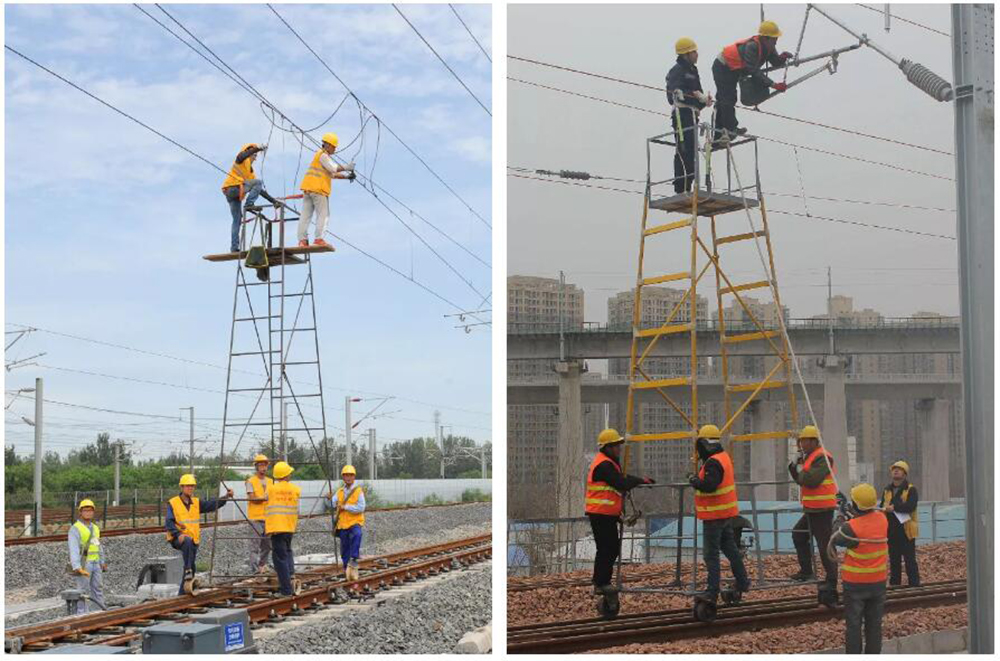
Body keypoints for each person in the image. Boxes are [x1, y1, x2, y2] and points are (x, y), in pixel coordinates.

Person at [586, 429, 653, 598]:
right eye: (616, 445)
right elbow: (620, 482)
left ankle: (602, 582)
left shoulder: (608, 463)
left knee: (609, 548)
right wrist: (639, 481)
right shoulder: (603, 465)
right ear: (607, 447)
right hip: (600, 513)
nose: (619, 448)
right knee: (607, 548)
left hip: (605, 513)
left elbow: (620, 478)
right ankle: (601, 583)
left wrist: (640, 480)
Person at [687, 424, 750, 602]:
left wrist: (694, 481)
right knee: (731, 550)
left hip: (714, 516)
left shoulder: (713, 462)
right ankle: (743, 582)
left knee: (711, 555)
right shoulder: (723, 457)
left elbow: (710, 485)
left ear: (704, 444)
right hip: (724, 514)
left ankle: (712, 591)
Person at [830, 483, 888, 654]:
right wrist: (851, 512)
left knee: (854, 625)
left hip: (855, 584)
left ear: (855, 504)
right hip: (878, 582)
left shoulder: (852, 527)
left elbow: (836, 536)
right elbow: (865, 519)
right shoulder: (882, 519)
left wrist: (841, 515)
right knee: (874, 625)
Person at [712, 20, 793, 142]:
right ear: (765, 38)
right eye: (774, 39)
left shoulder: (768, 47)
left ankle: (721, 133)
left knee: (725, 99)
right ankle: (729, 130)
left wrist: (782, 58)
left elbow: (774, 61)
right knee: (727, 97)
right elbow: (753, 70)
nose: (776, 41)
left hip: (734, 70)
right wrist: (773, 84)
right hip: (723, 67)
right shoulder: (753, 46)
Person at [787, 425, 839, 594]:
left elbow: (810, 480)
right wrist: (793, 467)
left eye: (804, 441)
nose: (801, 444)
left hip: (823, 509)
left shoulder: (823, 457)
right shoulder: (810, 457)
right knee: (798, 535)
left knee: (825, 545)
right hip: (812, 509)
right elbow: (801, 480)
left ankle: (832, 579)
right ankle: (806, 572)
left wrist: (799, 469)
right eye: (800, 441)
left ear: (814, 441)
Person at [165, 474, 234, 595]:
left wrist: (226, 497)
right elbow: (169, 522)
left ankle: (183, 593)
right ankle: (188, 571)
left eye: (192, 486)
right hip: (178, 538)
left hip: (193, 540)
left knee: (192, 566)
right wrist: (177, 534)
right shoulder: (173, 503)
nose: (190, 488)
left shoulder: (196, 503)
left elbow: (211, 504)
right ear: (182, 487)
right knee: (188, 555)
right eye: (187, 486)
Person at [666, 37, 713, 194]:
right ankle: (681, 187)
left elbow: (696, 95)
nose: (697, 54)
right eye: (694, 52)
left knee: (691, 152)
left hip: (692, 115)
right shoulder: (677, 70)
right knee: (683, 149)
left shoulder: (693, 71)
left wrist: (703, 101)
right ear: (686, 54)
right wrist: (685, 95)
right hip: (681, 115)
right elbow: (672, 95)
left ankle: (688, 184)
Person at [297, 133, 355, 248]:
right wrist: (347, 167)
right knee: (323, 215)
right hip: (319, 190)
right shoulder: (323, 156)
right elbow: (333, 168)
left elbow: (332, 174)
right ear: (328, 145)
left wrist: (347, 176)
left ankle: (302, 241)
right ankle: (318, 239)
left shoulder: (319, 157)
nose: (335, 149)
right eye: (334, 147)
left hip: (308, 189)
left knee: (305, 216)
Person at [221, 143, 281, 253]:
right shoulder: (241, 159)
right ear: (249, 152)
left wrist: (273, 201)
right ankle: (249, 204)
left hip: (232, 194)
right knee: (258, 182)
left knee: (237, 220)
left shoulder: (250, 172)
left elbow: (259, 189)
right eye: (254, 155)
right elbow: (242, 156)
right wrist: (257, 148)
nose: (255, 158)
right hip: (233, 189)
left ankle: (234, 248)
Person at [880, 460, 920, 586]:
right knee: (894, 562)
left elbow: (910, 506)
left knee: (910, 561)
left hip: (907, 531)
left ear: (905, 473)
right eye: (894, 469)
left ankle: (914, 586)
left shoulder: (911, 490)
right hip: (892, 531)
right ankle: (895, 587)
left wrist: (894, 507)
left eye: (899, 469)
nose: (896, 471)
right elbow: (882, 506)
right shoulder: (887, 490)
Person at [265, 461, 302, 596]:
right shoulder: (295, 489)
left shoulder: (271, 489)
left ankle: (286, 590)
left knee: (280, 558)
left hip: (277, 528)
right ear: (286, 475)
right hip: (289, 527)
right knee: (288, 551)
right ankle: (291, 576)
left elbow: (264, 498)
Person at [68, 499, 106, 614]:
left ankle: (98, 612)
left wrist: (102, 561)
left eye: (90, 510)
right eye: (85, 510)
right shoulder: (75, 528)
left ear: (93, 512)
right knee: (82, 591)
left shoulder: (95, 528)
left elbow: (98, 545)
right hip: (84, 563)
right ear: (80, 512)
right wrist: (77, 566)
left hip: (96, 563)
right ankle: (82, 614)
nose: (88, 513)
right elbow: (73, 548)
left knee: (98, 588)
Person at [329, 464, 366, 581]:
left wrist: (346, 507)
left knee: (357, 534)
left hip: (355, 522)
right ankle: (347, 570)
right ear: (343, 477)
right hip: (342, 524)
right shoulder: (339, 492)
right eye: (346, 475)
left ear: (354, 477)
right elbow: (332, 504)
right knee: (344, 548)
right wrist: (330, 500)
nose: (348, 477)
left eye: (350, 475)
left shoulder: (358, 491)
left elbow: (361, 507)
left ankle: (354, 558)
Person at [245, 453, 274, 575]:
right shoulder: (250, 481)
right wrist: (264, 498)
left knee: (267, 545)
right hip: (255, 518)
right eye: (261, 465)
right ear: (256, 466)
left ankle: (262, 565)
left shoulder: (271, 481)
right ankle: (254, 570)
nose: (263, 467)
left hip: (268, 518)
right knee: (254, 546)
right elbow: (252, 498)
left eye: (265, 465)